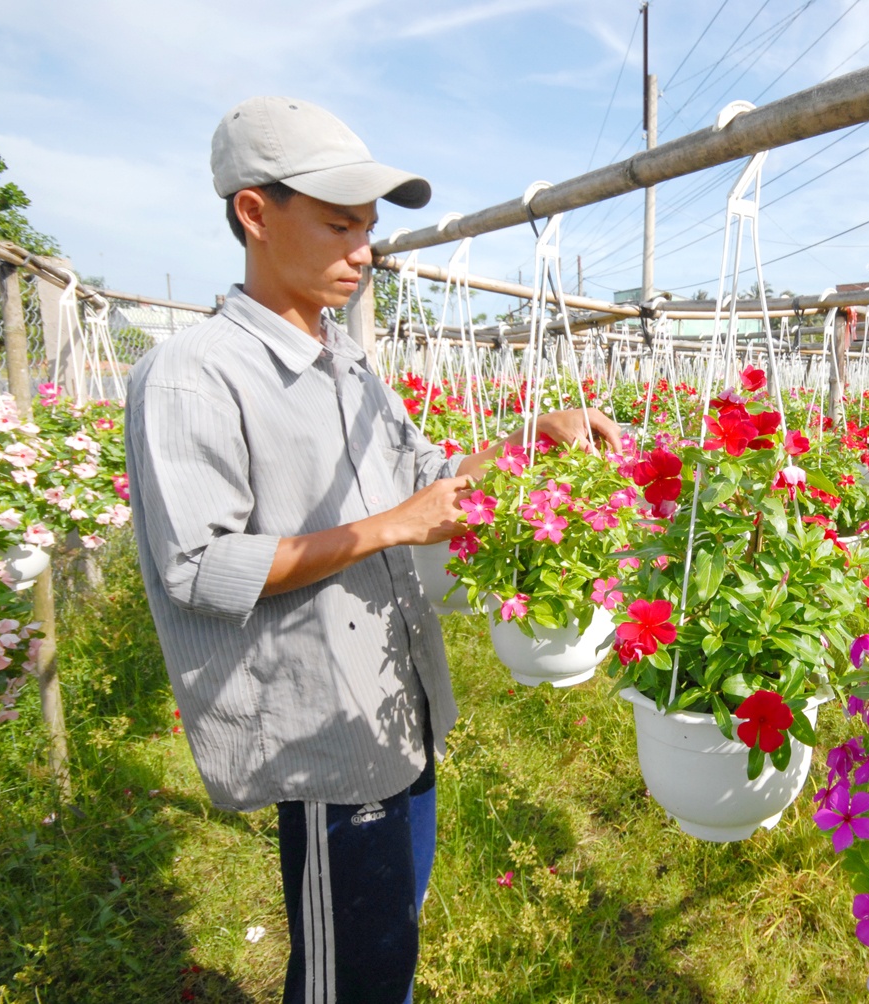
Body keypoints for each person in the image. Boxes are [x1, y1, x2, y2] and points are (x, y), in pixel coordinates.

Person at [124, 96, 620, 1004]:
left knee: (391, 935)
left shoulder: (346, 364)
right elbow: (200, 568)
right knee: (349, 973)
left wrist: (531, 437)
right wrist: (392, 527)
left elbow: (428, 473)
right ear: (254, 213)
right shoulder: (194, 374)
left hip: (395, 704)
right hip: (325, 733)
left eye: (369, 229)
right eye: (340, 225)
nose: (364, 251)